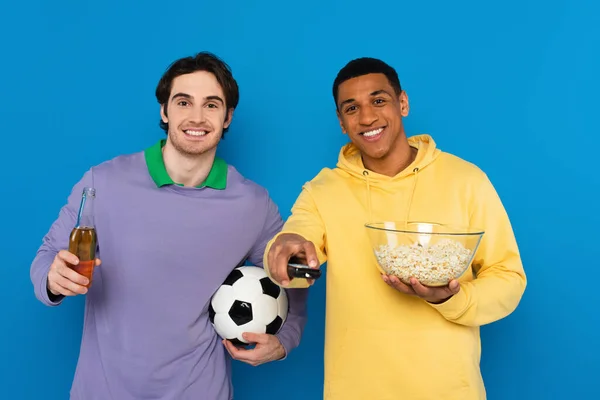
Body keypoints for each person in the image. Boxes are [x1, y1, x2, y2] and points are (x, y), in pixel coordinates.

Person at [30, 51, 308, 400]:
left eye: (211, 104)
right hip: (102, 390)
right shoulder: (103, 181)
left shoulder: (253, 204)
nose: (197, 117)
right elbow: (46, 259)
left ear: (227, 117)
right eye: (183, 102)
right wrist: (54, 280)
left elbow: (294, 278)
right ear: (165, 111)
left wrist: (283, 341)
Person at [264, 57, 527, 400]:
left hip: (450, 389)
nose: (368, 117)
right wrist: (286, 245)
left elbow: (508, 277)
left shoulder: (466, 181)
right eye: (351, 108)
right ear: (341, 122)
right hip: (356, 390)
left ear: (402, 103)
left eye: (378, 100)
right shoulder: (323, 191)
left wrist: (453, 297)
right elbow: (299, 239)